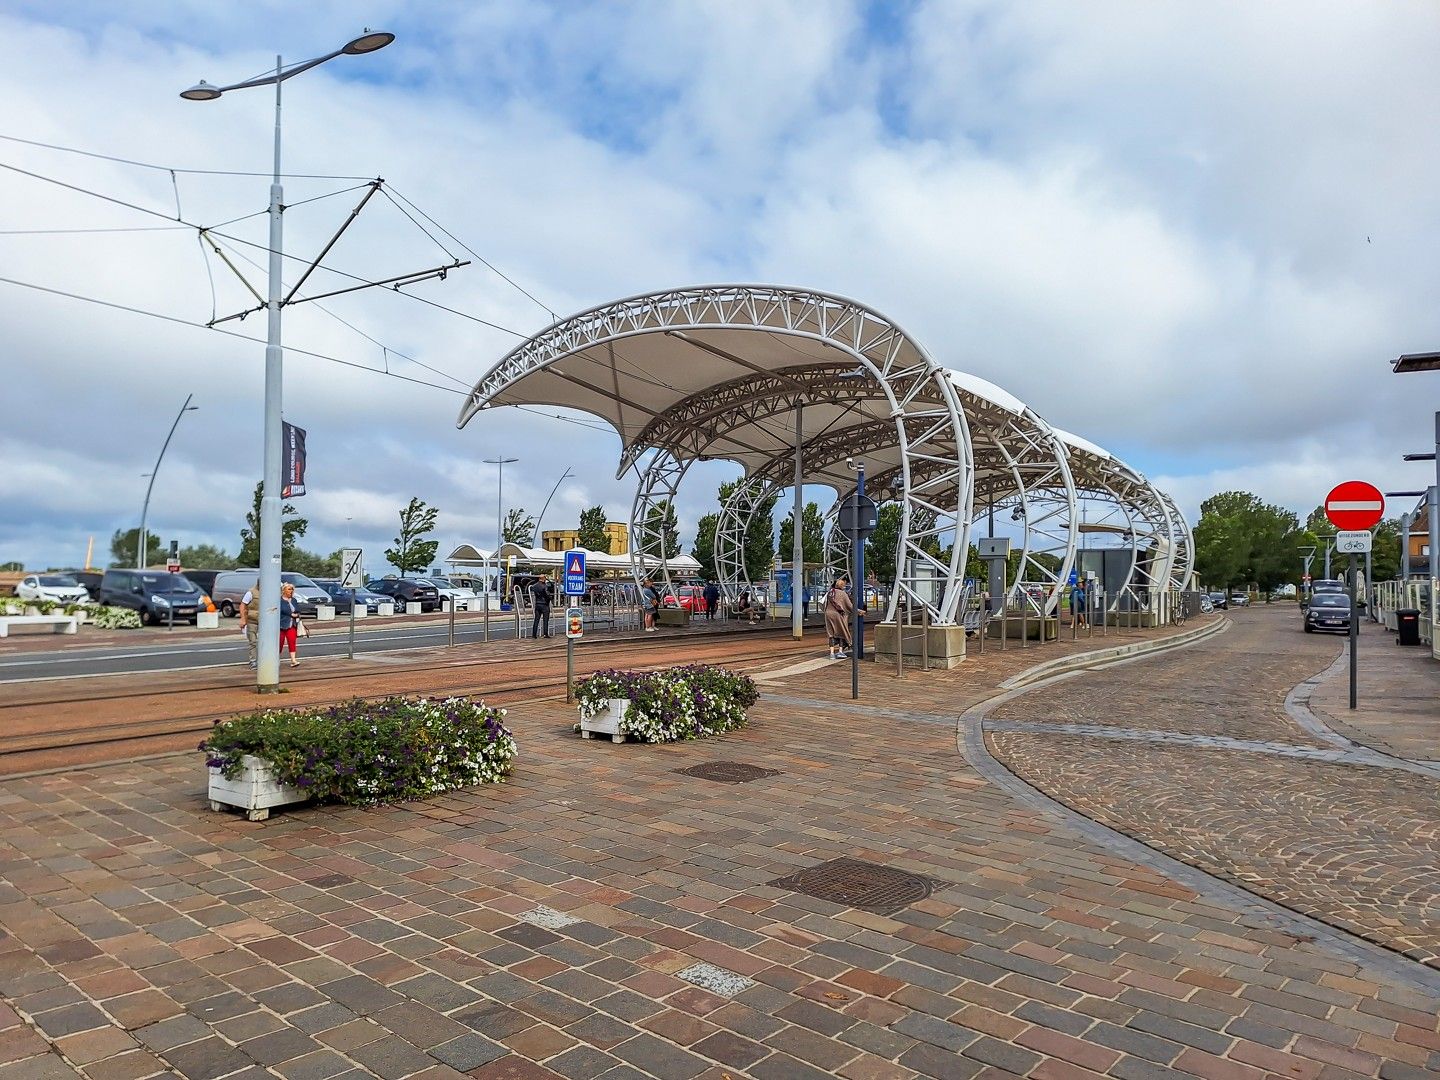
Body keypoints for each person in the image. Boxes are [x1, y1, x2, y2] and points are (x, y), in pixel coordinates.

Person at [825, 576, 854, 659]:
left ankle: (832, 654)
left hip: (828, 614)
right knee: (841, 633)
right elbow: (850, 606)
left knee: (831, 634)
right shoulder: (843, 594)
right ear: (842, 586)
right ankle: (840, 652)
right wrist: (859, 611)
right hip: (838, 614)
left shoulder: (830, 592)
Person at [278, 582, 302, 667]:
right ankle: (276, 659)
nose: (291, 591)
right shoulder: (279, 600)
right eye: (289, 589)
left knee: (292, 641)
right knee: (279, 643)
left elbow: (298, 610)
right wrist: (290, 614)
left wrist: (297, 614)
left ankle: (293, 660)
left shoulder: (294, 600)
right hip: (281, 625)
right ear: (283, 590)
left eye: (292, 589)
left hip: (292, 624)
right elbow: (280, 611)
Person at [238, 578, 260, 668]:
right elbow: (243, 605)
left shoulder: (271, 591)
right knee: (253, 641)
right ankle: (253, 661)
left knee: (266, 642)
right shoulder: (251, 592)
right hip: (252, 620)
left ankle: (265, 660)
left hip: (266, 622)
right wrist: (243, 619)